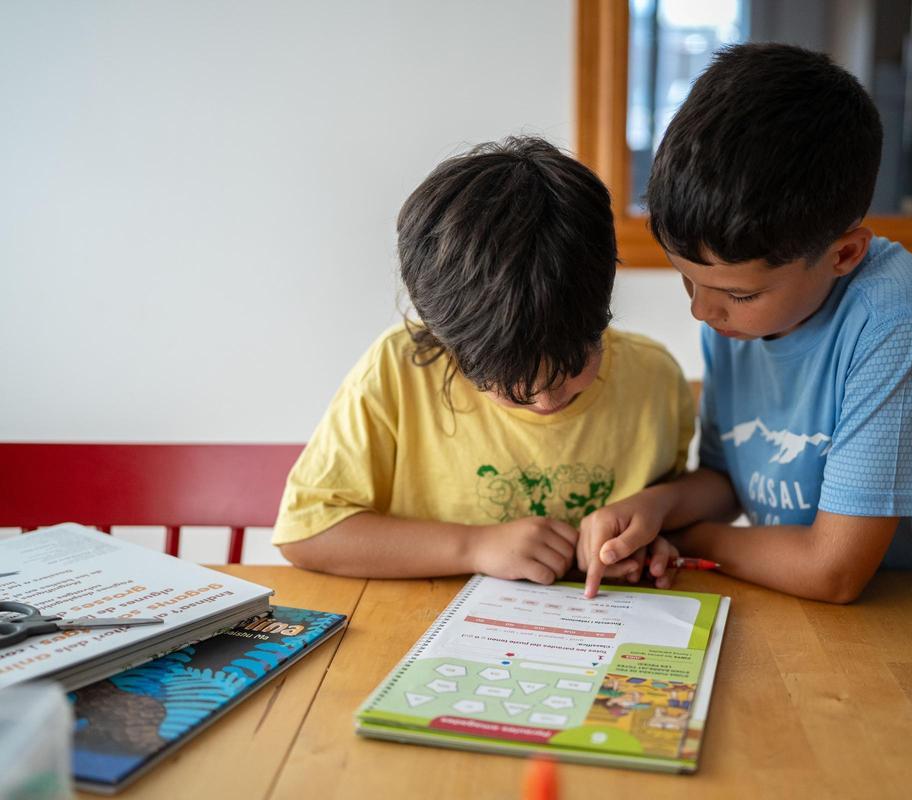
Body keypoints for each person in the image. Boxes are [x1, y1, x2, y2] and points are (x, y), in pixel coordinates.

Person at [578, 44, 912, 602]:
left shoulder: (902, 330)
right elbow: (730, 479)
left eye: (738, 292)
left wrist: (686, 535)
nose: (701, 311)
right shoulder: (736, 318)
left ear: (844, 255)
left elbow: (833, 571)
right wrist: (652, 508)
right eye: (687, 280)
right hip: (854, 620)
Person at [274, 136, 693, 586]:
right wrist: (476, 546)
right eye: (510, 384)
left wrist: (651, 542)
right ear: (447, 340)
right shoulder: (398, 370)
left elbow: (678, 511)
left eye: (573, 368)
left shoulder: (654, 378)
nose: (547, 401)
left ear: (601, 311)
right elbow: (306, 533)